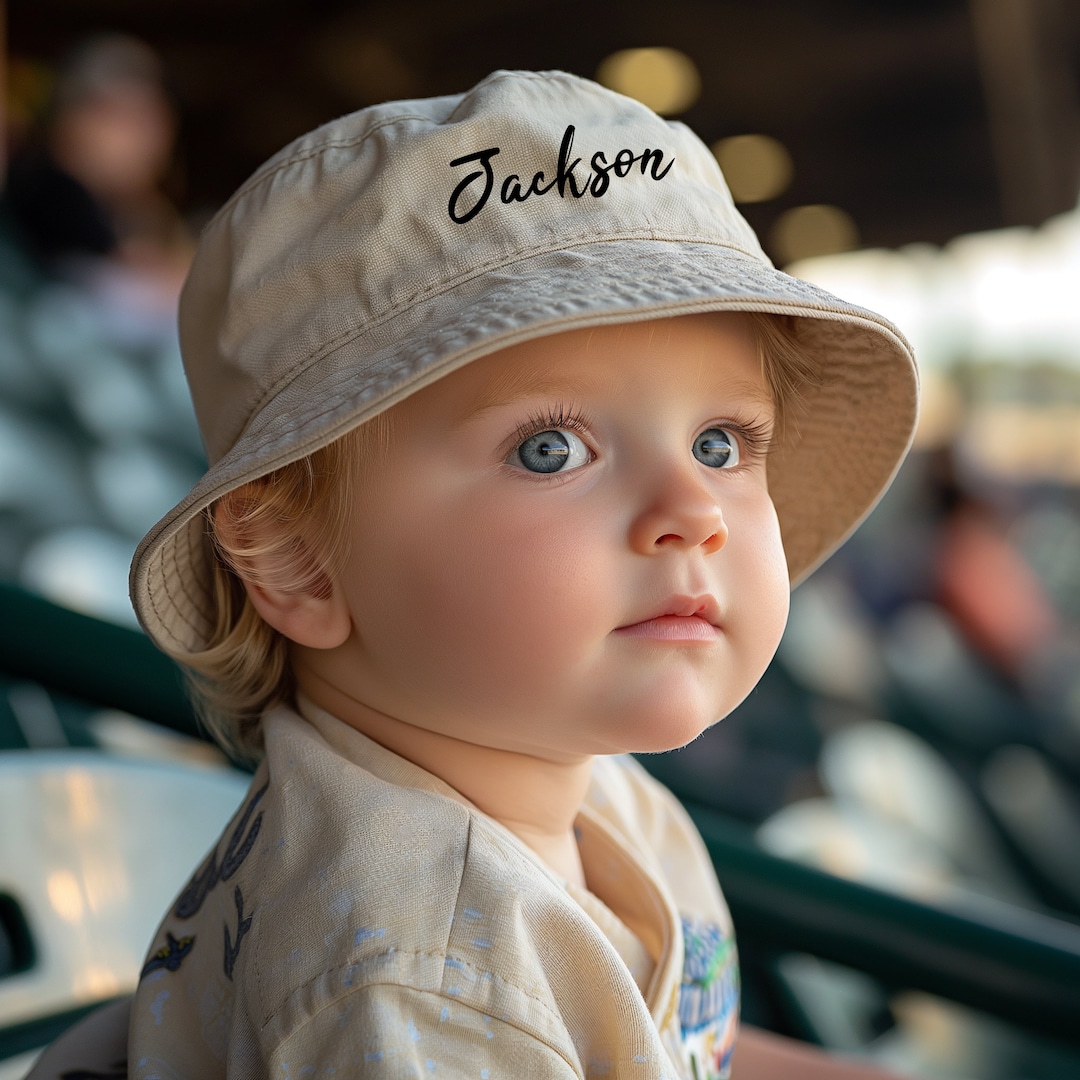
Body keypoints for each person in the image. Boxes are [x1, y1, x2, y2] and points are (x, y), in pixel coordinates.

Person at [126, 70, 918, 1078]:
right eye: (551, 450)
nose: (694, 514)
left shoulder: (583, 792)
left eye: (722, 443)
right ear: (299, 563)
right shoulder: (417, 979)